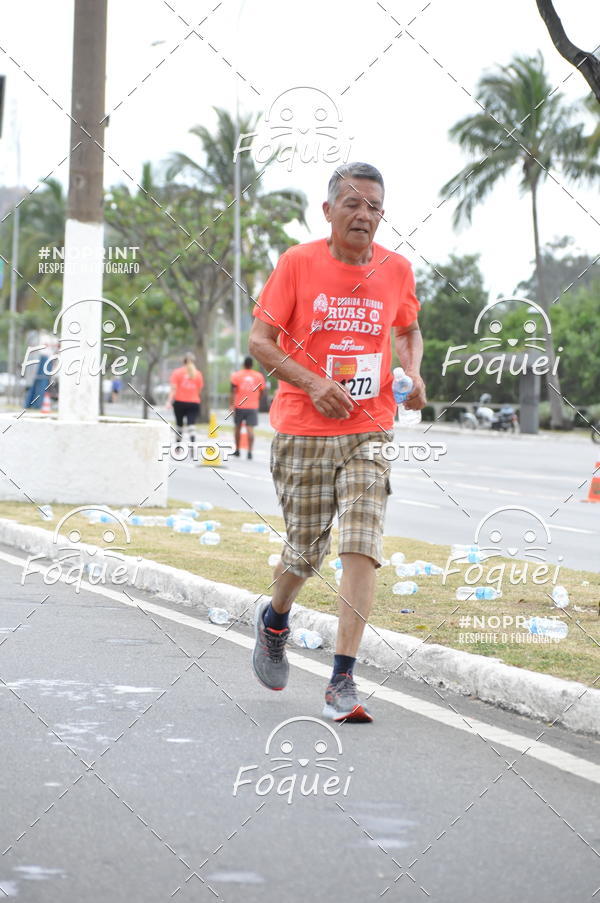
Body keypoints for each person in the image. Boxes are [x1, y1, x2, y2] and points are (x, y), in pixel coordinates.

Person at [248, 162, 426, 723]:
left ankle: (342, 679)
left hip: (369, 428)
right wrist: (313, 382)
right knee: (305, 550)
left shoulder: (397, 269)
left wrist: (413, 374)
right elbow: (260, 340)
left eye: (374, 207)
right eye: (352, 204)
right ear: (327, 211)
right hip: (302, 428)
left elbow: (407, 328)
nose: (364, 215)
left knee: (361, 540)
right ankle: (275, 619)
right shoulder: (297, 264)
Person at [229, 356, 266, 460]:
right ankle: (249, 451)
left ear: (243, 364)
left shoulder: (237, 375)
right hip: (252, 406)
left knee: (237, 428)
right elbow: (262, 390)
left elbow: (232, 391)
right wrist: (257, 398)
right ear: (252, 365)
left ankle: (237, 450)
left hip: (239, 405)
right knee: (250, 430)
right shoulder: (258, 376)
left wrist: (231, 404)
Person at [167, 353, 204, 447]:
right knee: (191, 424)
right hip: (194, 403)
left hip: (179, 402)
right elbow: (199, 390)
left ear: (183, 361)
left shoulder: (177, 372)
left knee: (179, 425)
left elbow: (173, 389)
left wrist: (169, 401)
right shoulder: (198, 374)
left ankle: (178, 446)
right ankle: (192, 443)